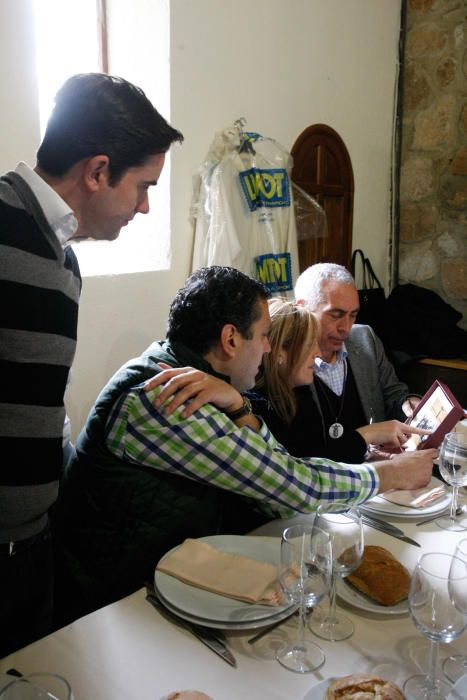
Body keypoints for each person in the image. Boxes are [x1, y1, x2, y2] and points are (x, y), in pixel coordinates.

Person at [53, 266, 435, 626]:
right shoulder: (165, 398)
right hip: (110, 604)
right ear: (231, 339)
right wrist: (388, 475)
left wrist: (239, 406)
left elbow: (271, 477)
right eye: (266, 334)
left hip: (162, 576)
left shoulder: (187, 373)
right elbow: (291, 485)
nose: (270, 348)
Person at [0, 72, 183, 657]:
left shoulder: (64, 261)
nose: (147, 206)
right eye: (144, 185)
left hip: (30, 547)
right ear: (98, 171)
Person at [249, 298, 430, 462]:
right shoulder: (256, 406)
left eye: (353, 315)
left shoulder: (299, 391)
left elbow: (325, 453)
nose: (318, 354)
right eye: (310, 344)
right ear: (280, 352)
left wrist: (368, 456)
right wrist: (368, 434)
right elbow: (307, 470)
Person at [293, 263, 420, 459]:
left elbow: (393, 393)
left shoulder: (365, 338)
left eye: (353, 315)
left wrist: (407, 403)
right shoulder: (285, 360)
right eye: (335, 315)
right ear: (302, 308)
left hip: (379, 465)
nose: (345, 327)